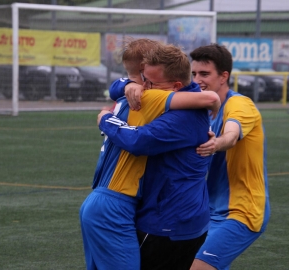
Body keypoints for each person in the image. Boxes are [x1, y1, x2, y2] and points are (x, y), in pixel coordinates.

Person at [79, 39, 220, 270]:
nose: (145, 88)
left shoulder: (161, 105)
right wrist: (125, 86)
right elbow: (120, 88)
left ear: (175, 86)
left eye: (151, 82)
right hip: (136, 209)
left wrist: (105, 117)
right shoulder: (148, 97)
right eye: (143, 80)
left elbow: (138, 140)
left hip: (169, 220)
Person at [187, 44, 270, 270]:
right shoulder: (203, 110)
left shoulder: (239, 104)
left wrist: (216, 143)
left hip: (242, 211)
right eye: (194, 74)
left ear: (224, 76)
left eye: (205, 74)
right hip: (209, 211)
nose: (197, 80)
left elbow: (232, 135)